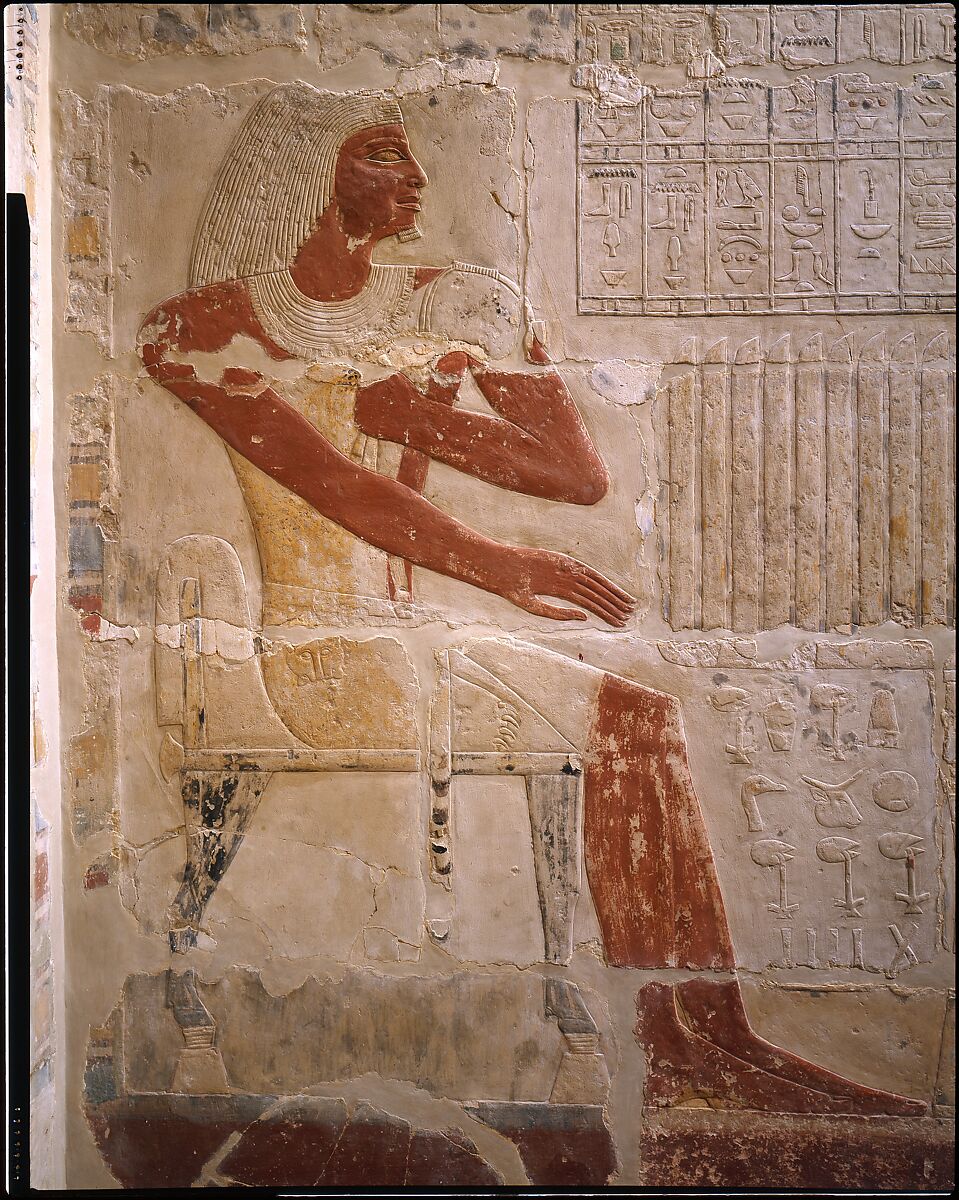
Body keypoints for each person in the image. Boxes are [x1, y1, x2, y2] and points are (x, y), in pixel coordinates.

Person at [139, 84, 922, 1116]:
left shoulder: (435, 296)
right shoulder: (203, 325)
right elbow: (337, 488)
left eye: (412, 160)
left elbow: (575, 476)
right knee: (634, 725)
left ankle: (707, 1037)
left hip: (407, 642)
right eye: (384, 157)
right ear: (305, 172)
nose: (416, 180)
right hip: (320, 658)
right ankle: (690, 1044)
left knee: (640, 722)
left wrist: (449, 394)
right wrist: (505, 566)